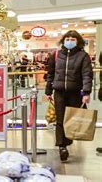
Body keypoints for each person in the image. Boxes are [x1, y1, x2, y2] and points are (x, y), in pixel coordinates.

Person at [45, 30, 93, 162]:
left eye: (73, 39)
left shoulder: (83, 56)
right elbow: (50, 74)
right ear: (63, 40)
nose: (70, 41)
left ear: (78, 41)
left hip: (75, 92)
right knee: (60, 119)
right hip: (59, 92)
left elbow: (87, 75)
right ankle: (62, 146)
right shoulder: (55, 55)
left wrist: (86, 92)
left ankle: (67, 141)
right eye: (67, 38)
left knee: (71, 119)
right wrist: (48, 91)